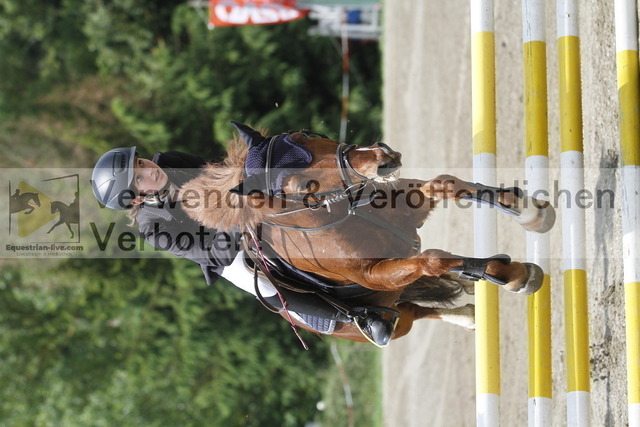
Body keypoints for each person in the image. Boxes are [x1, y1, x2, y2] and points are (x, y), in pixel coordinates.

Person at [91, 144, 395, 346]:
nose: (149, 169)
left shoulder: (169, 160)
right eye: (139, 178)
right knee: (264, 287)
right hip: (225, 250)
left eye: (140, 163)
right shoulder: (153, 228)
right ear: (137, 199)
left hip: (236, 202)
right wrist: (238, 214)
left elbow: (215, 174)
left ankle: (355, 191)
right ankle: (357, 317)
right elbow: (211, 251)